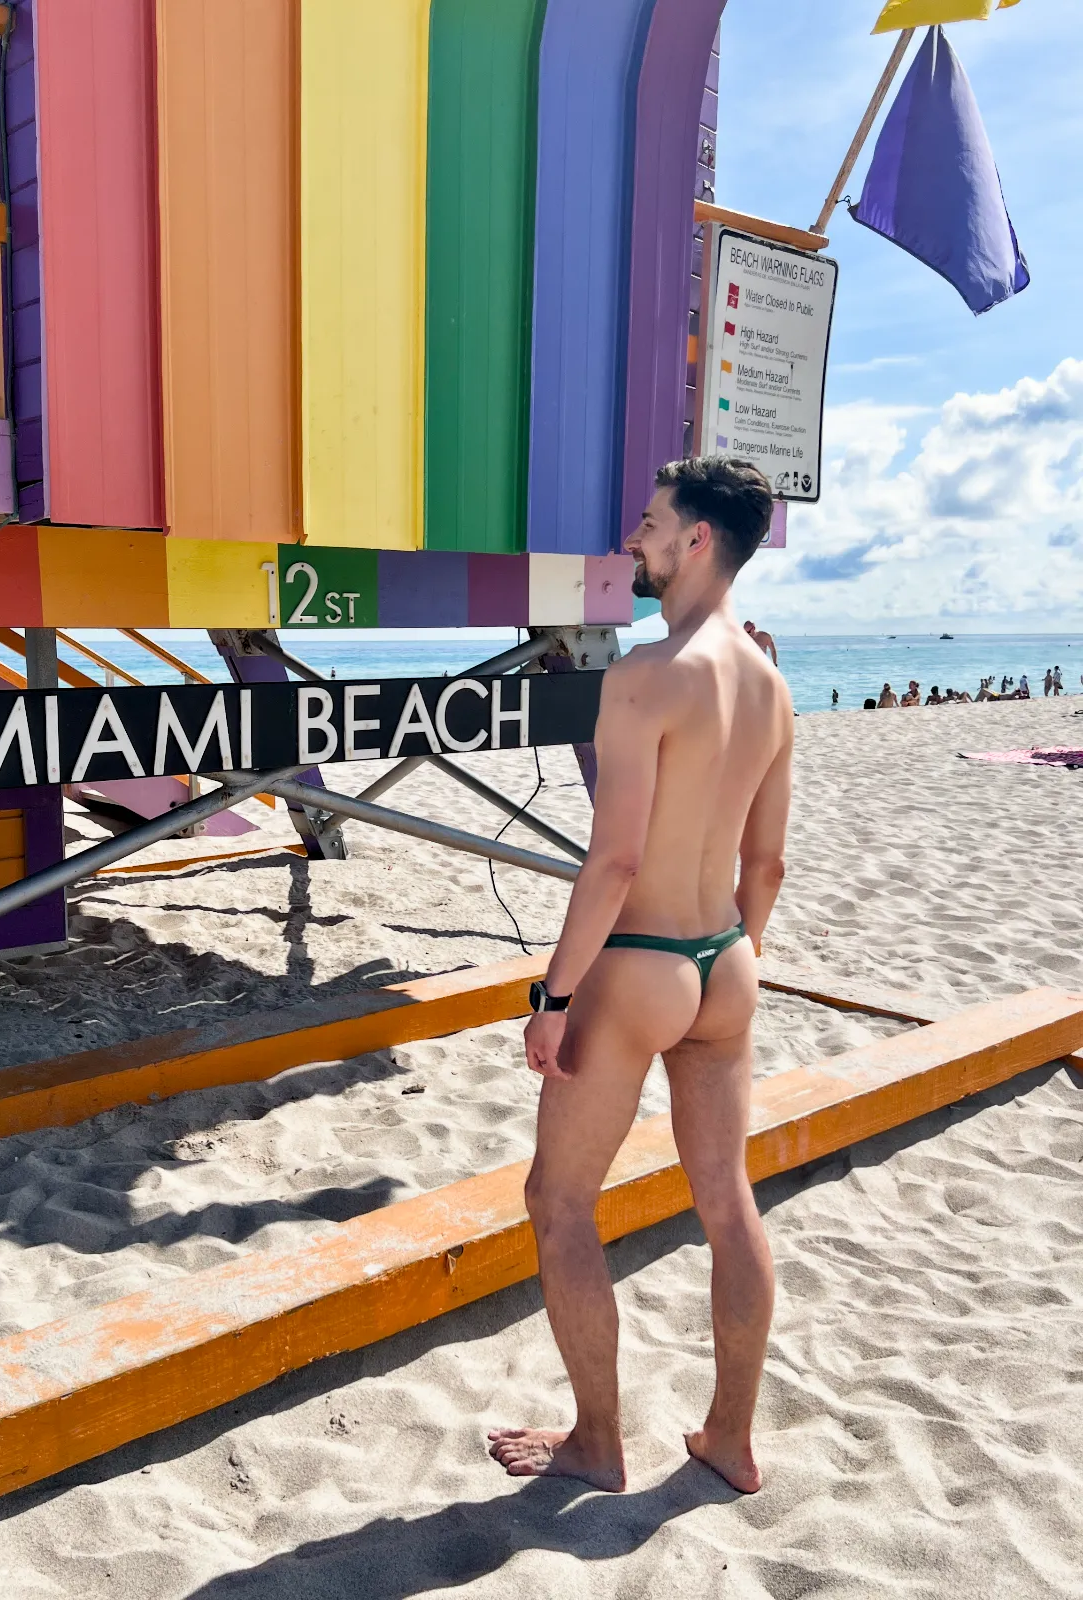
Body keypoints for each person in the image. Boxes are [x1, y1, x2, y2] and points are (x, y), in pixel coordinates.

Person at [490, 456, 789, 1496]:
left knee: (560, 1198)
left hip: (642, 964)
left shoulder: (644, 678)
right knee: (726, 1200)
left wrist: (555, 997)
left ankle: (596, 1443)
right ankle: (731, 1439)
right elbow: (768, 863)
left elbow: (613, 861)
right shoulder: (770, 680)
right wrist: (725, 958)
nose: (638, 538)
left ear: (698, 539)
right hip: (727, 962)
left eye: (655, 522)